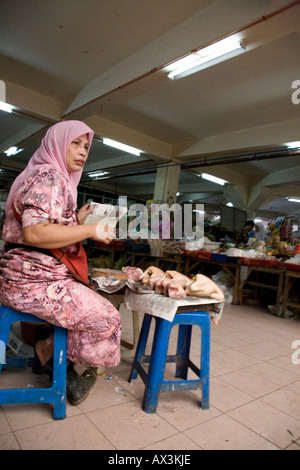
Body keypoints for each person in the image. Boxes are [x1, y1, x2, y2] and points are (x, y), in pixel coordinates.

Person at [0, 120, 121, 405]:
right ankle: (46, 349)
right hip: (32, 281)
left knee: (92, 304)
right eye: (75, 143)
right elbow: (35, 232)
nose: (82, 152)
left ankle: (52, 353)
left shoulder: (43, 174)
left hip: (22, 274)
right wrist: (91, 230)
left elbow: (36, 228)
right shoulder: (49, 176)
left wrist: (76, 221)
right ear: (57, 143)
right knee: (108, 319)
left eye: (86, 146)